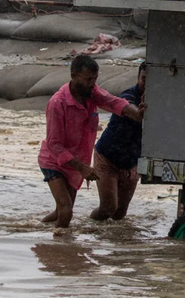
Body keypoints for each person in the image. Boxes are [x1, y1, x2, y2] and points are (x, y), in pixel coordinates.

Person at [38, 55, 145, 228]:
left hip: (76, 163)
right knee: (66, 212)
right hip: (54, 162)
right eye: (88, 79)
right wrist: (82, 168)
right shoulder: (57, 103)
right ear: (73, 75)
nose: (92, 83)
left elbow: (114, 102)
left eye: (94, 79)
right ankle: (58, 251)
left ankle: (35, 229)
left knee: (61, 211)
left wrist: (138, 115)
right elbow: (54, 145)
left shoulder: (92, 93)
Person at [91, 62, 147, 221]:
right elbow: (130, 109)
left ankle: (115, 244)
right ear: (138, 79)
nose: (147, 84)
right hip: (108, 158)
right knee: (108, 208)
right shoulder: (128, 95)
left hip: (131, 163)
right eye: (144, 79)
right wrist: (141, 113)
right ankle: (88, 231)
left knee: (120, 214)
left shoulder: (164, 102)